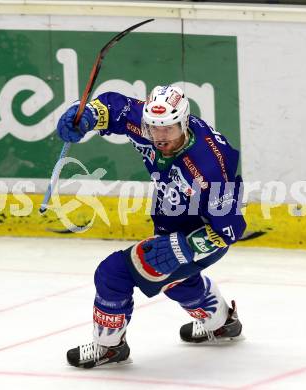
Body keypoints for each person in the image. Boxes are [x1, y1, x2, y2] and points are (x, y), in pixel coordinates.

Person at [56, 85, 246, 368]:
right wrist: (84, 116)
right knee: (175, 284)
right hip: (174, 217)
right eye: (154, 128)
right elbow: (113, 107)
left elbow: (230, 230)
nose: (160, 136)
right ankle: (220, 323)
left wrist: (186, 247)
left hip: (200, 236)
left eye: (168, 129)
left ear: (183, 123)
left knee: (113, 273)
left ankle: (109, 347)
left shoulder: (209, 167)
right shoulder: (149, 124)